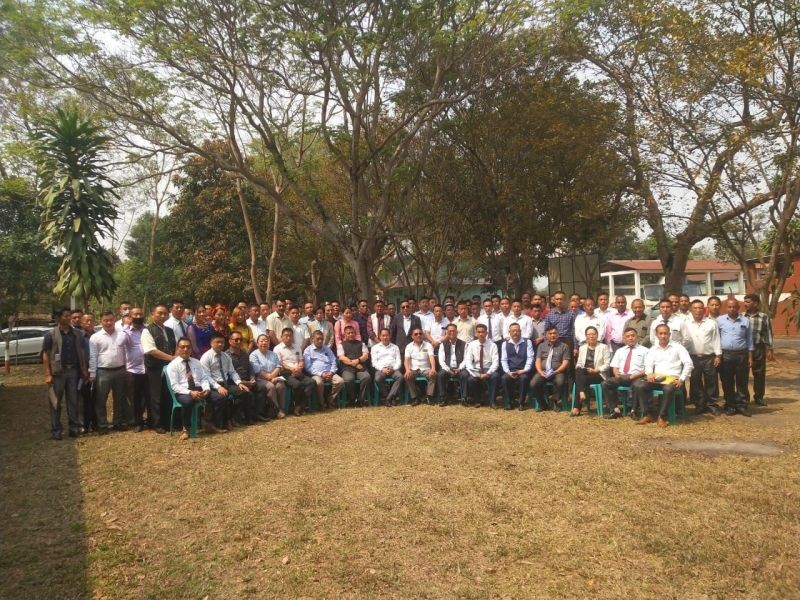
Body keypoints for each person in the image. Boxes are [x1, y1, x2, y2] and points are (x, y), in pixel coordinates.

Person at [166, 337, 227, 440]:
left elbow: (204, 378)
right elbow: (175, 386)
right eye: (182, 347)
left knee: (220, 398)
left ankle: (210, 424)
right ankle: (186, 429)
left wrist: (206, 389)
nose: (186, 349)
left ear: (191, 349)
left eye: (188, 347)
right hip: (184, 392)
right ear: (177, 348)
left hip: (200, 389)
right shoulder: (172, 365)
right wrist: (190, 392)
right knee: (188, 401)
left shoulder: (196, 362)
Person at [42, 307, 88, 439]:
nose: (68, 318)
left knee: (73, 401)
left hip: (73, 371)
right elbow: (46, 354)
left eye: (69, 316)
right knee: (55, 402)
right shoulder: (50, 334)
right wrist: (47, 374)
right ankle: (56, 430)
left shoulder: (77, 334)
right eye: (66, 316)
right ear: (58, 318)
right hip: (58, 373)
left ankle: (74, 428)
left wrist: (83, 369)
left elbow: (81, 353)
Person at [634, 324, 693, 427]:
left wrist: (682, 379)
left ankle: (661, 417)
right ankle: (647, 414)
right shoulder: (653, 349)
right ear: (656, 335)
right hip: (658, 379)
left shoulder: (678, 347)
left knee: (668, 389)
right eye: (660, 333)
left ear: (669, 334)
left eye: (665, 333)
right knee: (639, 385)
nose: (663, 336)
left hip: (673, 379)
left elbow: (689, 364)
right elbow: (648, 364)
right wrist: (649, 373)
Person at [89, 310, 130, 433]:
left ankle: (118, 422)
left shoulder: (122, 334)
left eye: (111, 320)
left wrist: (127, 368)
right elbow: (93, 356)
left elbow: (126, 352)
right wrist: (92, 373)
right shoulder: (95, 337)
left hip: (120, 370)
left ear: (114, 320)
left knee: (119, 399)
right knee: (101, 400)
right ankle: (102, 425)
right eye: (105, 320)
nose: (108, 323)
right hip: (103, 372)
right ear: (100, 321)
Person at [200, 333, 253, 427]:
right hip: (213, 385)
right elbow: (206, 376)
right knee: (222, 397)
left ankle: (231, 417)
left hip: (226, 384)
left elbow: (232, 372)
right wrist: (218, 387)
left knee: (245, 392)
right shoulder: (206, 357)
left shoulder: (226, 356)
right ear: (211, 343)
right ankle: (218, 423)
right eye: (217, 342)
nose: (220, 344)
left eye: (222, 342)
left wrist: (239, 383)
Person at [141, 304, 177, 433]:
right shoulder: (147, 331)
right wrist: (171, 358)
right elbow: (151, 351)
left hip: (169, 368)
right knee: (155, 397)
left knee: (167, 394)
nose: (162, 316)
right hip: (154, 368)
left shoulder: (169, 330)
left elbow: (175, 347)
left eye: (165, 313)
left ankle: (167, 422)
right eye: (159, 313)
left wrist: (175, 358)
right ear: (152, 314)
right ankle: (156, 424)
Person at [684, 299, 722, 416]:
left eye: (700, 308)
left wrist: (718, 355)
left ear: (704, 309)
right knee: (695, 381)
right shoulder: (685, 323)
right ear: (691, 310)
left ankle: (712, 405)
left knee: (711, 381)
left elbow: (716, 339)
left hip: (709, 357)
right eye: (695, 308)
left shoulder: (711, 323)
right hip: (693, 357)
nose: (698, 310)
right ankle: (700, 405)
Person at [717, 299, 753, 416]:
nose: (732, 309)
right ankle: (730, 405)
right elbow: (716, 338)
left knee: (742, 382)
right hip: (726, 355)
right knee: (727, 382)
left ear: (738, 308)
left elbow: (749, 339)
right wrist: (718, 355)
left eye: (734, 307)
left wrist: (750, 357)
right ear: (726, 308)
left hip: (742, 355)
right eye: (729, 307)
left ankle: (742, 405)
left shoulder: (745, 320)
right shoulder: (720, 320)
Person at [602, 327, 648, 419]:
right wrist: (616, 374)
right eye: (628, 336)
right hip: (622, 376)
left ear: (637, 337)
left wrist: (637, 374)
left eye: (633, 336)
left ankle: (633, 411)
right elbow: (615, 366)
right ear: (624, 339)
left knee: (637, 385)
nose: (630, 338)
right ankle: (615, 410)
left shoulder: (645, 351)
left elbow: (648, 368)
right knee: (606, 383)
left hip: (637, 376)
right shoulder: (620, 351)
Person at [227, 331, 269, 422]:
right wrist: (243, 382)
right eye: (236, 340)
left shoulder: (245, 354)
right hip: (235, 383)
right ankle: (248, 417)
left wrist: (252, 378)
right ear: (230, 341)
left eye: (240, 339)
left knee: (261, 387)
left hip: (248, 380)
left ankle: (258, 414)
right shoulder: (226, 356)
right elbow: (228, 374)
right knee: (247, 393)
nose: (239, 341)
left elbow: (250, 368)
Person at [274, 327, 315, 415]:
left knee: (311, 382)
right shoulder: (277, 348)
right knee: (297, 384)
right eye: (286, 336)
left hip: (298, 371)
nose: (288, 338)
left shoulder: (297, 347)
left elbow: (301, 360)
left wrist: (299, 367)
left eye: (290, 336)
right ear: (281, 337)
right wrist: (291, 369)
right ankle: (297, 406)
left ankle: (299, 406)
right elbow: (280, 363)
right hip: (285, 373)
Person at [572, 326, 610, 416]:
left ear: (597, 335)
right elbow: (579, 363)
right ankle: (581, 393)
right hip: (585, 373)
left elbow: (607, 364)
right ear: (586, 336)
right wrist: (581, 367)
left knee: (580, 379)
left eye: (593, 334)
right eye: (589, 334)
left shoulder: (604, 347)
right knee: (578, 370)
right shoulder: (582, 348)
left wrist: (596, 370)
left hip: (598, 374)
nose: (591, 336)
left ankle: (577, 407)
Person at [530, 326, 571, 412]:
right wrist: (540, 372)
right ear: (546, 335)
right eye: (550, 333)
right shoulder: (541, 346)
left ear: (558, 334)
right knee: (533, 383)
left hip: (558, 372)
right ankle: (543, 404)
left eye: (554, 333)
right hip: (544, 371)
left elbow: (566, 362)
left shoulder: (564, 346)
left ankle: (554, 401)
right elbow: (538, 361)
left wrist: (557, 371)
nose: (552, 335)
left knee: (560, 382)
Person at [744, 293, 774, 406]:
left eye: (748, 302)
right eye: (745, 302)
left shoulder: (763, 317)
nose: (745, 304)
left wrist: (770, 349)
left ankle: (759, 397)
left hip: (758, 348)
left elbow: (768, 333)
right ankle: (744, 398)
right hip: (744, 349)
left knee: (759, 374)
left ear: (755, 303)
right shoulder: (741, 316)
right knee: (743, 374)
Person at [304, 330, 344, 409]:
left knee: (340, 381)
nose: (320, 341)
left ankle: (330, 400)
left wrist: (331, 372)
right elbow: (308, 367)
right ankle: (321, 403)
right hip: (316, 374)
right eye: (318, 339)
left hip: (329, 372)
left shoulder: (327, 349)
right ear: (312, 339)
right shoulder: (308, 350)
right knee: (319, 383)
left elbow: (333, 361)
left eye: (322, 339)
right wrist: (321, 374)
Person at [249, 334, 286, 419]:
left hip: (273, 377)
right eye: (261, 341)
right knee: (271, 386)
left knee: (280, 385)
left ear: (269, 343)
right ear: (257, 344)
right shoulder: (253, 355)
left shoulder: (273, 354)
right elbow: (257, 371)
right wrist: (269, 378)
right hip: (259, 379)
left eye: (266, 341)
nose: (264, 343)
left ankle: (282, 408)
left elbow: (278, 366)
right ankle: (277, 410)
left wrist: (271, 377)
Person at [462, 323, 499, 408]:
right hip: (476, 369)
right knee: (470, 379)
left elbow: (495, 362)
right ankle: (477, 401)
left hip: (488, 369)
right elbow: (468, 361)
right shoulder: (472, 345)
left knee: (495, 376)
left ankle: (492, 402)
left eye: (483, 332)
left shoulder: (493, 345)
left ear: (486, 333)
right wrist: (477, 374)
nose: (481, 334)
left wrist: (488, 373)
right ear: (476, 333)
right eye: (478, 332)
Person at [501, 323, 534, 410]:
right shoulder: (505, 344)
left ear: (520, 331)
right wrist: (508, 372)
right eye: (513, 331)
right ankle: (509, 402)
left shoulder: (527, 342)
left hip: (523, 370)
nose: (515, 333)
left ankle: (521, 403)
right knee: (504, 378)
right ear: (509, 332)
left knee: (524, 378)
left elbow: (530, 358)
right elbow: (504, 360)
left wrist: (524, 370)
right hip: (511, 370)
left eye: (517, 331)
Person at [337, 325, 372, 406]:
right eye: (348, 333)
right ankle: (352, 399)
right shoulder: (341, 345)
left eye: (352, 332)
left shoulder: (361, 344)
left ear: (355, 333)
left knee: (366, 377)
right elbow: (342, 358)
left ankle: (361, 399)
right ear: (344, 335)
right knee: (348, 379)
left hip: (361, 368)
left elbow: (365, 356)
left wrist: (358, 360)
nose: (350, 334)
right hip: (347, 368)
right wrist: (355, 364)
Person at [403, 326, 437, 405]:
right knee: (407, 376)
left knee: (433, 374)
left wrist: (433, 369)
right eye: (416, 334)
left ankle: (429, 397)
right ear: (412, 336)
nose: (418, 335)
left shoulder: (428, 345)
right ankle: (415, 398)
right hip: (413, 369)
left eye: (420, 333)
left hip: (425, 368)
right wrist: (407, 370)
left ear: (423, 335)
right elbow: (406, 360)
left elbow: (431, 358)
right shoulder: (409, 346)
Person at [370, 328, 403, 406]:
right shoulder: (375, 348)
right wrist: (382, 369)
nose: (385, 337)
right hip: (381, 369)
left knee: (400, 377)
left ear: (390, 336)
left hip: (393, 369)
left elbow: (398, 361)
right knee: (377, 378)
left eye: (387, 335)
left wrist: (393, 369)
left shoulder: (395, 347)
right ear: (379, 336)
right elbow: (374, 362)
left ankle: (388, 398)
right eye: (383, 335)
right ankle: (388, 396)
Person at [437, 324, 468, 406]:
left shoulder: (464, 344)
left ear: (457, 332)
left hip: (459, 368)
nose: (452, 332)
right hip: (447, 368)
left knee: (465, 375)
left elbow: (466, 359)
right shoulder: (443, 344)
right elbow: (441, 361)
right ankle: (443, 398)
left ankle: (464, 398)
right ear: (446, 332)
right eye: (450, 331)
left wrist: (459, 368)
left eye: (453, 331)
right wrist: (448, 369)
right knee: (440, 374)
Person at [79, 313, 98, 433]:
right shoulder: (79, 337)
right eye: (86, 321)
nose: (89, 323)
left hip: (97, 371)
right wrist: (84, 371)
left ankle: (95, 423)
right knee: (85, 399)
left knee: (96, 398)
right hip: (83, 373)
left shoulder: (98, 336)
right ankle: (85, 424)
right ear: (81, 323)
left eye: (91, 320)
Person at [544, 291, 576, 357]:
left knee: (568, 362)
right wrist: (546, 345)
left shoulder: (571, 314)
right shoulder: (549, 315)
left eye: (561, 299)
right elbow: (546, 331)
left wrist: (575, 347)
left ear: (565, 300)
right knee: (555, 361)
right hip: (554, 342)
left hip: (567, 342)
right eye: (557, 299)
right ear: (554, 300)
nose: (559, 301)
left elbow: (574, 331)